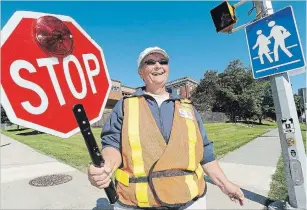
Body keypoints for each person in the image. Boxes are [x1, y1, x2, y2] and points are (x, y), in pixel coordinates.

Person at [88, 47, 245, 210]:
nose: (158, 65)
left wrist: (225, 184)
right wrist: (106, 167)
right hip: (139, 203)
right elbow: (112, 145)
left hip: (190, 202)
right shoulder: (125, 105)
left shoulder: (188, 107)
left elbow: (204, 152)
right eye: (150, 62)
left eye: (163, 61)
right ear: (140, 72)